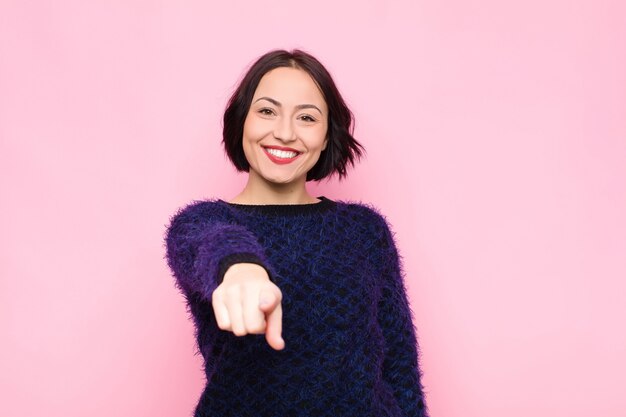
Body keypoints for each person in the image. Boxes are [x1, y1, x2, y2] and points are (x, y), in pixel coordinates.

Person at [164, 49, 428, 416]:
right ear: (242, 121)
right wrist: (239, 267)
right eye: (267, 111)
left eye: (306, 117)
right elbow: (209, 240)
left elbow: (401, 369)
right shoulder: (201, 221)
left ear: (325, 135)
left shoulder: (366, 230)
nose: (285, 133)